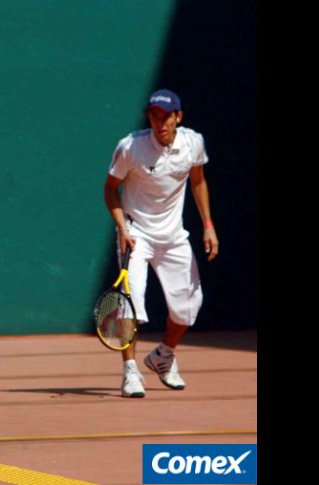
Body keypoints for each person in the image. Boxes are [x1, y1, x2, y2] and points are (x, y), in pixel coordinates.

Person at [103, 89, 219, 398]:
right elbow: (110, 189)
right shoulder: (131, 148)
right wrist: (122, 227)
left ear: (178, 117)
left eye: (166, 116)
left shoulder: (193, 143)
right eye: (154, 116)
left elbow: (198, 181)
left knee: (188, 309)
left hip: (173, 236)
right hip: (136, 235)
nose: (160, 123)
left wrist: (208, 225)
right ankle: (130, 371)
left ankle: (163, 356)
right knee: (132, 305)